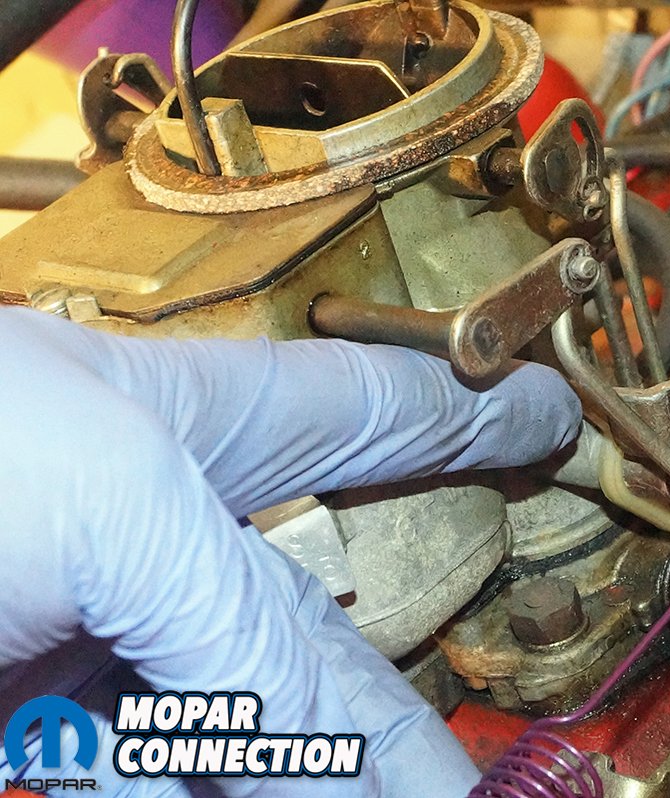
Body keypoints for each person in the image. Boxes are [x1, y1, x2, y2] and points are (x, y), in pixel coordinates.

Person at [0, 306, 583, 797]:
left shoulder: (71, 467)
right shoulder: (83, 499)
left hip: (61, 422)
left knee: (395, 408)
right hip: (37, 685)